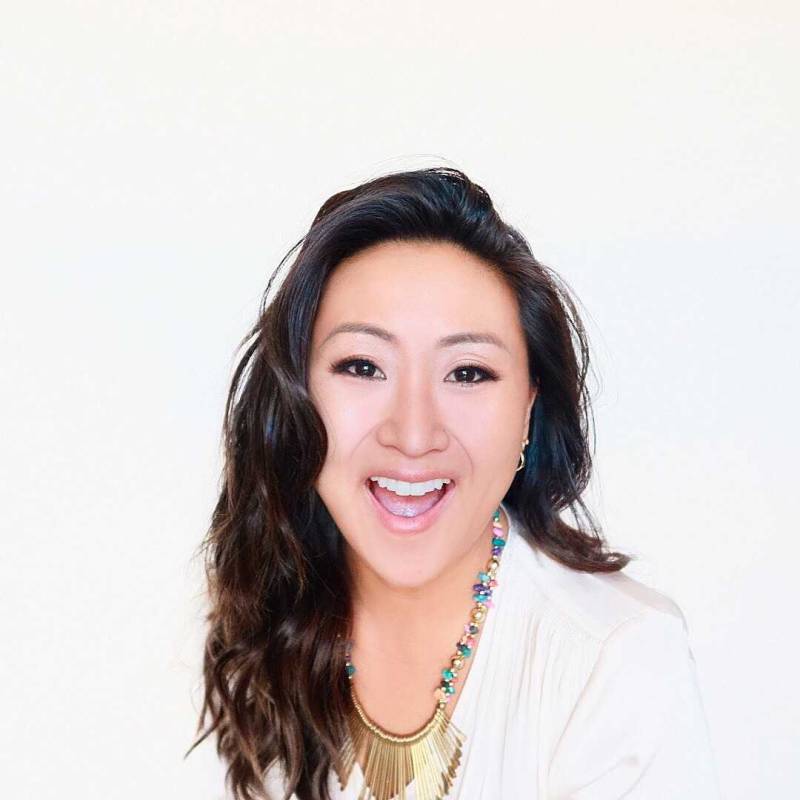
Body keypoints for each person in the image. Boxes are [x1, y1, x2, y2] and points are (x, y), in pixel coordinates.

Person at [186, 167, 721, 799]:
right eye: (362, 366)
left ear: (529, 408)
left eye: (467, 373)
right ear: (295, 398)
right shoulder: (266, 614)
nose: (414, 434)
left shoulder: (616, 660)